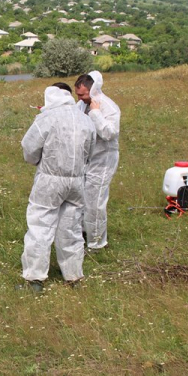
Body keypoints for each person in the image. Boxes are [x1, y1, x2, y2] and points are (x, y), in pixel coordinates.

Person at [19, 85, 96, 291]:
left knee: (40, 227)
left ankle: (35, 279)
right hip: (77, 181)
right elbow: (90, 150)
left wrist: (38, 162)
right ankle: (73, 277)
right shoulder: (85, 119)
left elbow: (29, 148)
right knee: (71, 229)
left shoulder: (47, 118)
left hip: (50, 180)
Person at [74, 71, 121, 252]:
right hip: (86, 160)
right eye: (77, 94)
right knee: (82, 199)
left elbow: (109, 133)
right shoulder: (80, 105)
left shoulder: (108, 107)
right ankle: (85, 233)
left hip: (103, 160)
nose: (80, 98)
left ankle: (97, 243)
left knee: (95, 202)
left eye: (83, 94)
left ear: (93, 90)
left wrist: (95, 114)